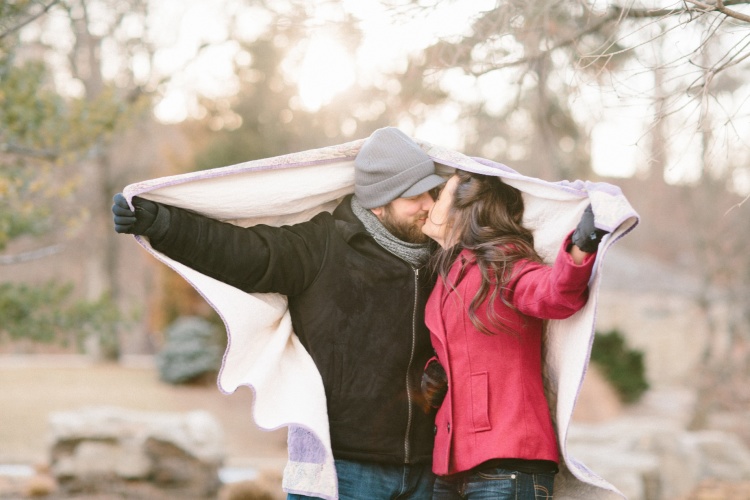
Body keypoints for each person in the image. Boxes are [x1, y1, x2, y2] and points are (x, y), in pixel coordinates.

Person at [112, 127, 446, 500]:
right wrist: (161, 223)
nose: (429, 204)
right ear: (378, 203)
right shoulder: (322, 247)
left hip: (426, 474)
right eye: (414, 197)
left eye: (432, 192)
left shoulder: (444, 259)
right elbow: (240, 252)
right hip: (340, 471)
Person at [419, 170, 607, 500]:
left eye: (439, 195)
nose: (430, 204)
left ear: (465, 209)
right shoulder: (451, 268)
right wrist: (435, 371)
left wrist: (582, 242)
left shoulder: (504, 262)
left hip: (508, 462)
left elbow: (554, 293)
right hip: (451, 466)